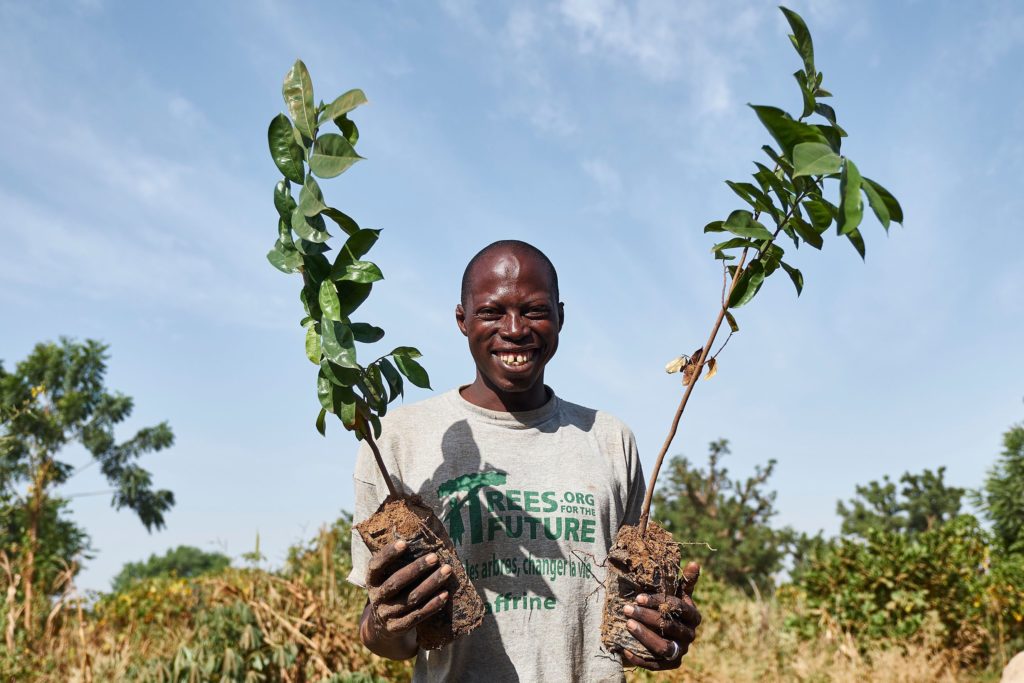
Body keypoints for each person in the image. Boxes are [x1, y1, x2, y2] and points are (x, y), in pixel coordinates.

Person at [348, 240, 701, 681]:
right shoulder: (399, 440)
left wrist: (663, 635)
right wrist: (385, 622)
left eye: (534, 311)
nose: (514, 329)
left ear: (560, 317)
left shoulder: (609, 440)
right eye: (492, 312)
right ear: (462, 319)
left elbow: (627, 625)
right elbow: (386, 637)